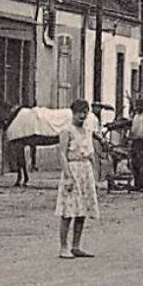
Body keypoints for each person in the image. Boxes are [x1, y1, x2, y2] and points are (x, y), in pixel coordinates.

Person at [56, 98, 100, 258]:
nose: (82, 115)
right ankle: (63, 247)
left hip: (85, 171)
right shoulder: (67, 130)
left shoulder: (88, 131)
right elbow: (62, 154)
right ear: (73, 113)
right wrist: (68, 176)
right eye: (79, 112)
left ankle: (76, 245)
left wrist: (95, 175)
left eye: (85, 112)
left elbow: (91, 153)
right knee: (68, 211)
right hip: (72, 170)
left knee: (82, 210)